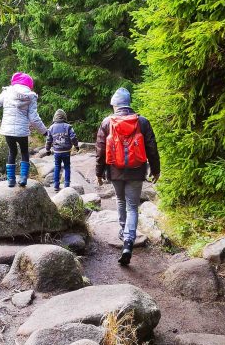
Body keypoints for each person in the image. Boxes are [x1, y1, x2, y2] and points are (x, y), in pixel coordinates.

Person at [95, 87, 160, 266]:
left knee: (120, 200)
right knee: (132, 205)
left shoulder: (107, 122)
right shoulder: (143, 122)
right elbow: (152, 148)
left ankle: (123, 231)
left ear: (115, 105)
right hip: (137, 170)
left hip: (115, 170)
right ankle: (129, 241)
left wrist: (98, 173)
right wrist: (156, 170)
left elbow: (100, 149)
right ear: (128, 103)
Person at [0, 72, 47, 187]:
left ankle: (11, 180)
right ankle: (23, 178)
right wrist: (44, 132)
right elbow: (34, 118)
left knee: (12, 152)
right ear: (29, 84)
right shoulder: (31, 96)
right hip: (22, 131)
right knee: (24, 152)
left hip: (7, 130)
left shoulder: (7, 93)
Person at [45, 109, 79, 191]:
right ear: (64, 117)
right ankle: (66, 185)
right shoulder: (68, 126)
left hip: (57, 151)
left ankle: (56, 185)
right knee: (67, 167)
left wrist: (47, 150)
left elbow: (48, 140)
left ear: (54, 118)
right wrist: (76, 145)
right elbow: (73, 137)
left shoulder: (51, 128)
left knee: (57, 167)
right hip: (66, 151)